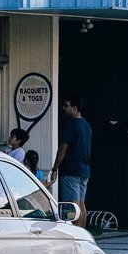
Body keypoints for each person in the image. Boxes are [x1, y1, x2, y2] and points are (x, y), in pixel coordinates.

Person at [47, 96, 91, 227]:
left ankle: (75, 233)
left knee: (73, 205)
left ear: (74, 108)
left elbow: (63, 148)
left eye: (66, 106)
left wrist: (55, 168)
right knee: (81, 204)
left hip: (71, 169)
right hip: (84, 169)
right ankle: (82, 232)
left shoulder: (70, 125)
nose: (63, 108)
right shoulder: (86, 125)